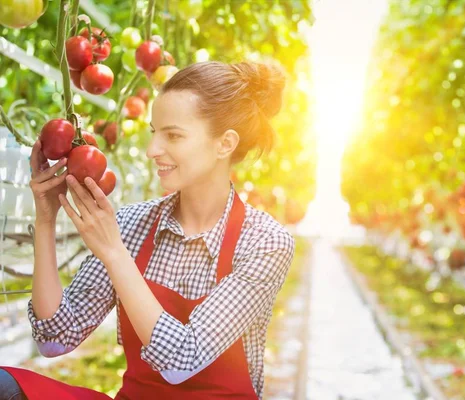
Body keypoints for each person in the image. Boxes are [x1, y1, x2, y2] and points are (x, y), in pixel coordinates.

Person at [0, 60, 296, 400]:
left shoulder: (265, 242)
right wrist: (46, 220)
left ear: (225, 144)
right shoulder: (131, 224)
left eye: (173, 135)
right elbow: (55, 339)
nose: (152, 150)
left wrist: (114, 253)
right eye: (155, 132)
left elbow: (183, 358)